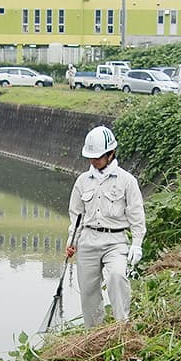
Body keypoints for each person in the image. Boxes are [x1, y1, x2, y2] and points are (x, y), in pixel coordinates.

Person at [65, 126, 146, 328]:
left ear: (111, 153)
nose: (94, 161)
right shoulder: (82, 182)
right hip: (88, 240)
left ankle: (122, 326)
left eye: (98, 157)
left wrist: (137, 244)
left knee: (117, 276)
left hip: (116, 241)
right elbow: (76, 217)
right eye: (90, 157)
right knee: (89, 291)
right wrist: (71, 242)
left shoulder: (127, 181)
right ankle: (93, 332)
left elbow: (136, 215)